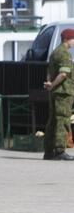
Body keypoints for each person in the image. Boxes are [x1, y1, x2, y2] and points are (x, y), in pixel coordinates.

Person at [43, 28, 74, 161]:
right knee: (63, 120)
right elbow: (63, 73)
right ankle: (60, 150)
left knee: (53, 121)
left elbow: (50, 72)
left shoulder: (54, 53)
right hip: (64, 92)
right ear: (67, 39)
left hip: (55, 93)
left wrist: (50, 84)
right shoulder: (64, 54)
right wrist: (53, 84)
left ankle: (49, 151)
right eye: (73, 39)